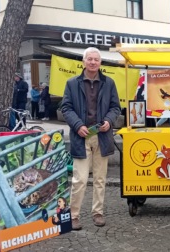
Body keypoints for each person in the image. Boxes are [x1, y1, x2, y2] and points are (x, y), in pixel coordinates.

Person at [61, 47, 121, 230]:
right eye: (90, 59)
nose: (93, 62)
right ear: (83, 61)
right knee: (79, 179)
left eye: (96, 59)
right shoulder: (72, 83)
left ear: (100, 62)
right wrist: (78, 125)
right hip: (81, 137)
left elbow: (115, 108)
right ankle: (73, 215)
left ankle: (98, 213)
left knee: (100, 179)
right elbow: (66, 108)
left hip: (102, 137)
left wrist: (110, 121)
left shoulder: (109, 83)